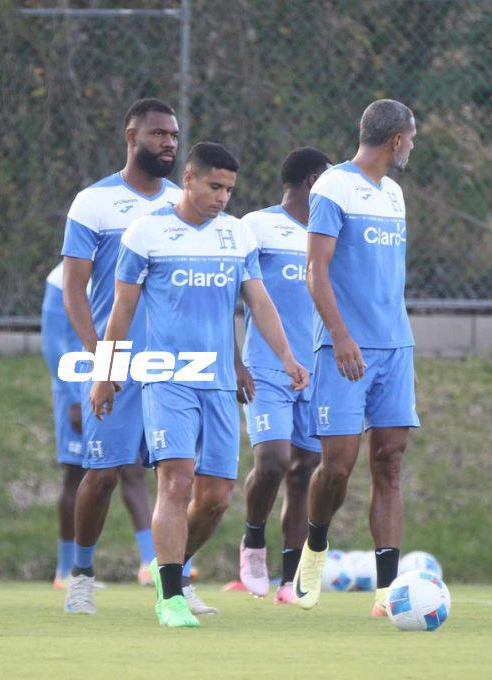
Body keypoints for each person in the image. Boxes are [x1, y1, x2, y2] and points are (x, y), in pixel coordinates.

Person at [91, 141, 308, 628]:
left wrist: (288, 358)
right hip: (168, 379)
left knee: (214, 498)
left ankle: (171, 568)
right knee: (175, 481)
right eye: (215, 186)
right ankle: (171, 595)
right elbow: (120, 311)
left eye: (230, 189)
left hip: (218, 386)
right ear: (187, 179)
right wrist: (105, 374)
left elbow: (260, 303)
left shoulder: (236, 236)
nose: (223, 197)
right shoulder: (146, 234)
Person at [295, 100, 419, 614]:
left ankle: (388, 592)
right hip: (345, 348)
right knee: (338, 466)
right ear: (395, 140)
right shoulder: (332, 187)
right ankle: (316, 545)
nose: (412, 146)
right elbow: (315, 271)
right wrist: (342, 337)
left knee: (389, 462)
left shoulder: (394, 194)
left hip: (396, 348)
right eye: (412, 137)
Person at [60, 98, 180, 613]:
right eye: (158, 134)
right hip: (116, 361)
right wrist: (101, 360)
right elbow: (73, 290)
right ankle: (81, 574)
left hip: (174, 365)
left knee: (177, 475)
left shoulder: (184, 202)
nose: (169, 143)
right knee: (104, 473)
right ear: (131, 137)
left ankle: (175, 579)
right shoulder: (94, 202)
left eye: (174, 135)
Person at [237, 147, 330, 603]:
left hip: (319, 368)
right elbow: (235, 294)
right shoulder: (256, 226)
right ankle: (253, 539)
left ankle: (289, 579)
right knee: (272, 460)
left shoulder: (331, 233)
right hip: (268, 366)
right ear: (313, 181)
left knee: (305, 471)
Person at [41, 262, 86, 587]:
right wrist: (72, 397)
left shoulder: (123, 261)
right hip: (78, 388)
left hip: (114, 381)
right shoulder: (61, 277)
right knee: (75, 474)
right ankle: (66, 569)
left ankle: (150, 562)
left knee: (133, 472)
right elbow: (53, 341)